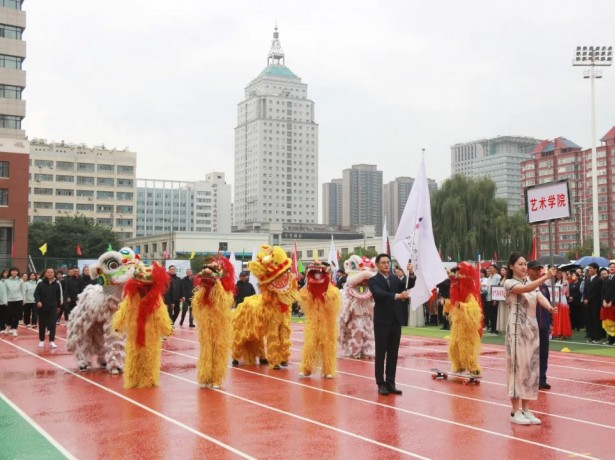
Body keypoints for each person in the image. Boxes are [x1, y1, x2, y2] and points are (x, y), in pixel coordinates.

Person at [505, 253, 556, 425]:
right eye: (520, 264)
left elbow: (538, 295)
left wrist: (550, 307)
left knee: (531, 368)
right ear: (511, 266)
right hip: (517, 329)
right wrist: (545, 277)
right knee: (517, 368)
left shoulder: (529, 282)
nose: (524, 267)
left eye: (525, 264)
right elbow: (526, 290)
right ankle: (515, 411)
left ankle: (526, 409)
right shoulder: (509, 283)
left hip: (532, 328)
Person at [368, 254, 413, 396]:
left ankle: (390, 382)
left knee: (393, 354)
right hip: (382, 321)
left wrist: (410, 273)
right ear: (377, 265)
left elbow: (407, 285)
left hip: (395, 320)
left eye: (388, 262)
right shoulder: (373, 280)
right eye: (383, 263)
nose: (387, 265)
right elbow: (378, 294)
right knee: (381, 353)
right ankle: (380, 383)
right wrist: (396, 296)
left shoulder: (394, 278)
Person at [527, 261, 556, 390]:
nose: (538, 272)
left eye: (539, 269)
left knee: (543, 353)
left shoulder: (543, 287)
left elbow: (547, 304)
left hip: (543, 324)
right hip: (529, 325)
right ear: (528, 270)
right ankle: (530, 378)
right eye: (535, 269)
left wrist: (550, 322)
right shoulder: (524, 285)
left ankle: (542, 379)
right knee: (530, 353)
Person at [34, 268, 62, 348]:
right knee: (42, 325)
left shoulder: (56, 284)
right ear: (45, 273)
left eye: (52, 272)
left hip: (53, 307)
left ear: (54, 274)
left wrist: (59, 306)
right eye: (48, 272)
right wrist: (38, 301)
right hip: (42, 307)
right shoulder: (41, 284)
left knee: (52, 325)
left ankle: (52, 341)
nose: (50, 274)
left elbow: (58, 296)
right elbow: (36, 294)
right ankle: (41, 340)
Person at [583, 262, 603, 344]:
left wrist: (589, 299)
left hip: (595, 303)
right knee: (589, 319)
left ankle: (597, 337)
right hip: (587, 303)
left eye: (591, 268)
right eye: (589, 268)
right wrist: (584, 298)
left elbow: (596, 292)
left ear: (595, 269)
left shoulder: (599, 279)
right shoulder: (587, 278)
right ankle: (591, 336)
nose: (589, 269)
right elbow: (585, 290)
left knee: (596, 320)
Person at [5, 267, 24, 337]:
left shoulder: (20, 280)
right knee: (9, 315)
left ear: (17, 272)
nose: (14, 272)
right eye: (12, 271)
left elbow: (22, 290)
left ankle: (14, 329)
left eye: (15, 271)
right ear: (10, 272)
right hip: (9, 300)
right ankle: (8, 326)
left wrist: (23, 300)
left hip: (18, 300)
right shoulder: (6, 281)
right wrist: (5, 300)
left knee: (17, 315)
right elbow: (5, 291)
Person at [600, 262, 615, 345]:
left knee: (613, 322)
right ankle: (610, 339)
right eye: (610, 267)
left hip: (613, 304)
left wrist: (612, 302)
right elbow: (602, 291)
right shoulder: (606, 278)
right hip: (606, 304)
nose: (612, 268)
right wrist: (604, 300)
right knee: (607, 322)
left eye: (613, 267)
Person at [485, 264, 501, 335]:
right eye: (489, 268)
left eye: (491, 268)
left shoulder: (497, 277)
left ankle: (495, 330)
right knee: (490, 314)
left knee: (494, 314)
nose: (490, 269)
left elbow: (497, 288)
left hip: (494, 298)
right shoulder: (489, 277)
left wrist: (495, 300)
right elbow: (488, 287)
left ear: (495, 269)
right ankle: (492, 329)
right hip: (488, 297)